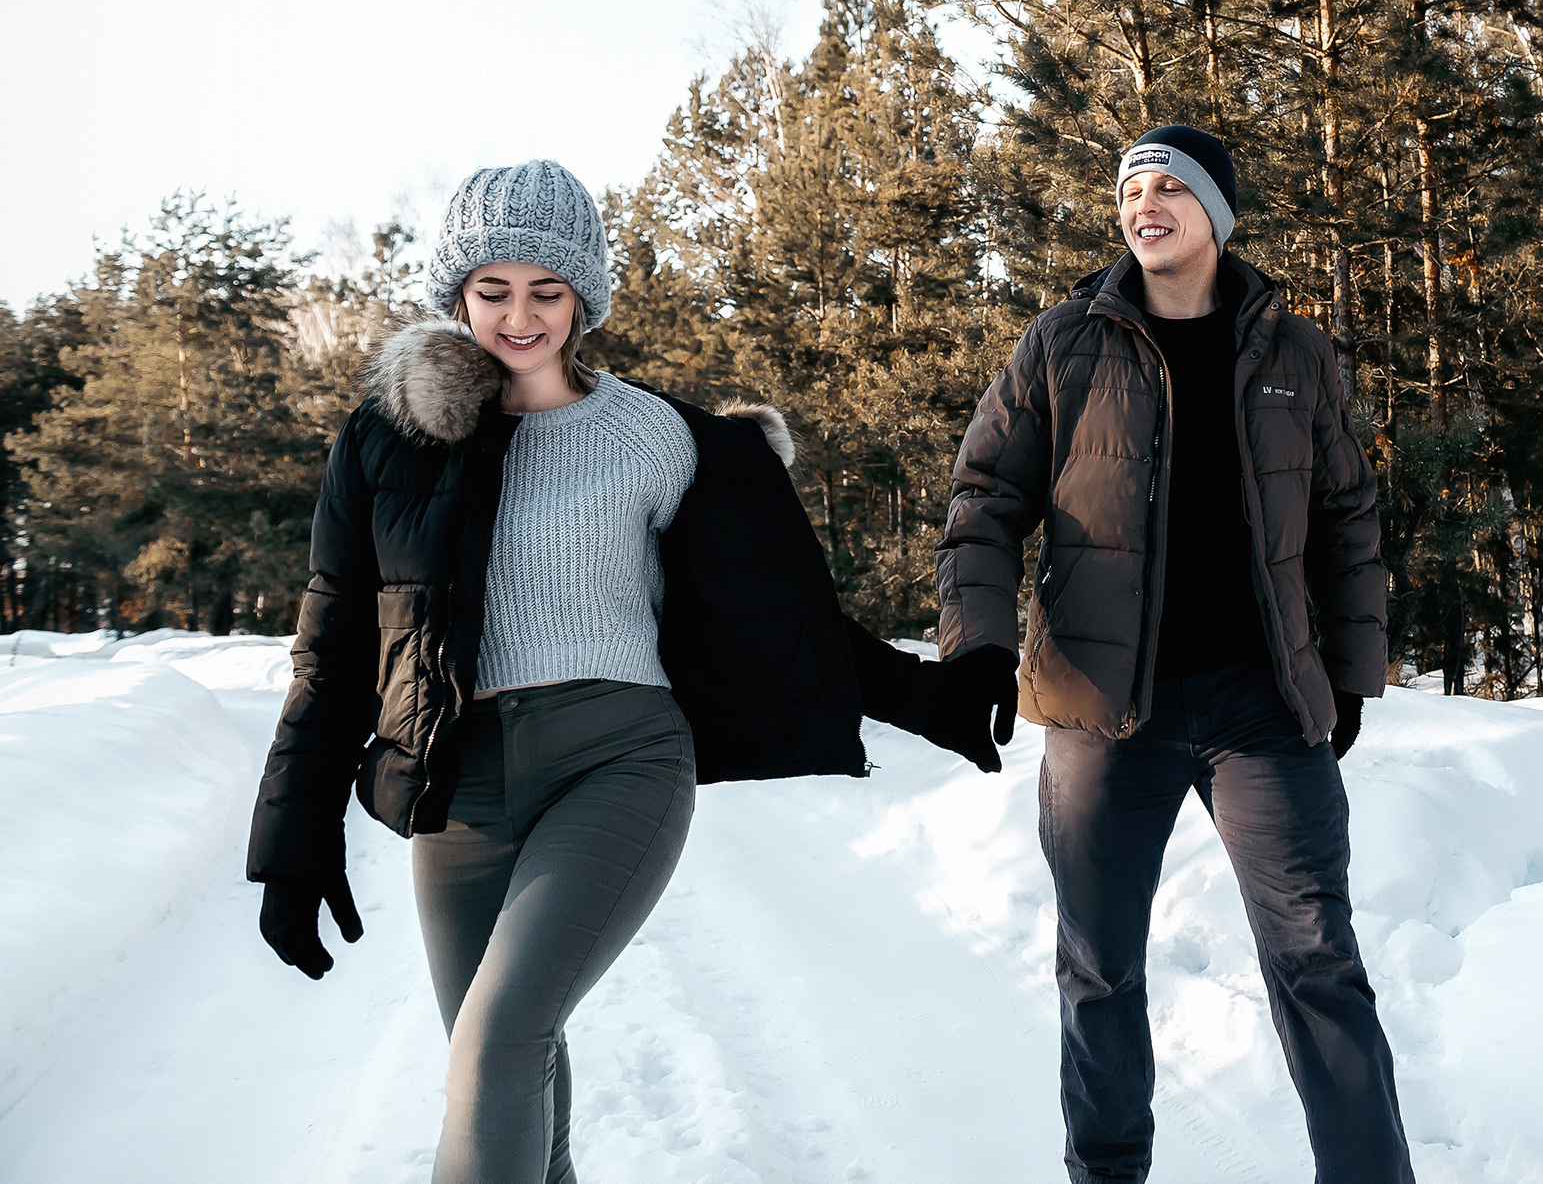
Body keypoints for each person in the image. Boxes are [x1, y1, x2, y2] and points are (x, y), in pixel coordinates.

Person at [246, 159, 1014, 1184]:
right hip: (461, 789)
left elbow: (782, 623)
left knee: (497, 1041)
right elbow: (337, 640)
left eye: (548, 291)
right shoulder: (392, 442)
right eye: (493, 289)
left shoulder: (657, 440)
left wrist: (928, 696)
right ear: (458, 293)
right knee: (507, 1070)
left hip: (620, 760)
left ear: (585, 298)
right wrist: (296, 840)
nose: (520, 316)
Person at [937, 125, 1413, 1183]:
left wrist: (1348, 671)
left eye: (1169, 188)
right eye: (1131, 189)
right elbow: (984, 503)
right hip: (1106, 712)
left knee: (1317, 960)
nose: (1145, 204)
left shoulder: (1294, 351)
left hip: (1264, 710)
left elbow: (1348, 516)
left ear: (1217, 213)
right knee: (1100, 971)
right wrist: (978, 646)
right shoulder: (1064, 344)